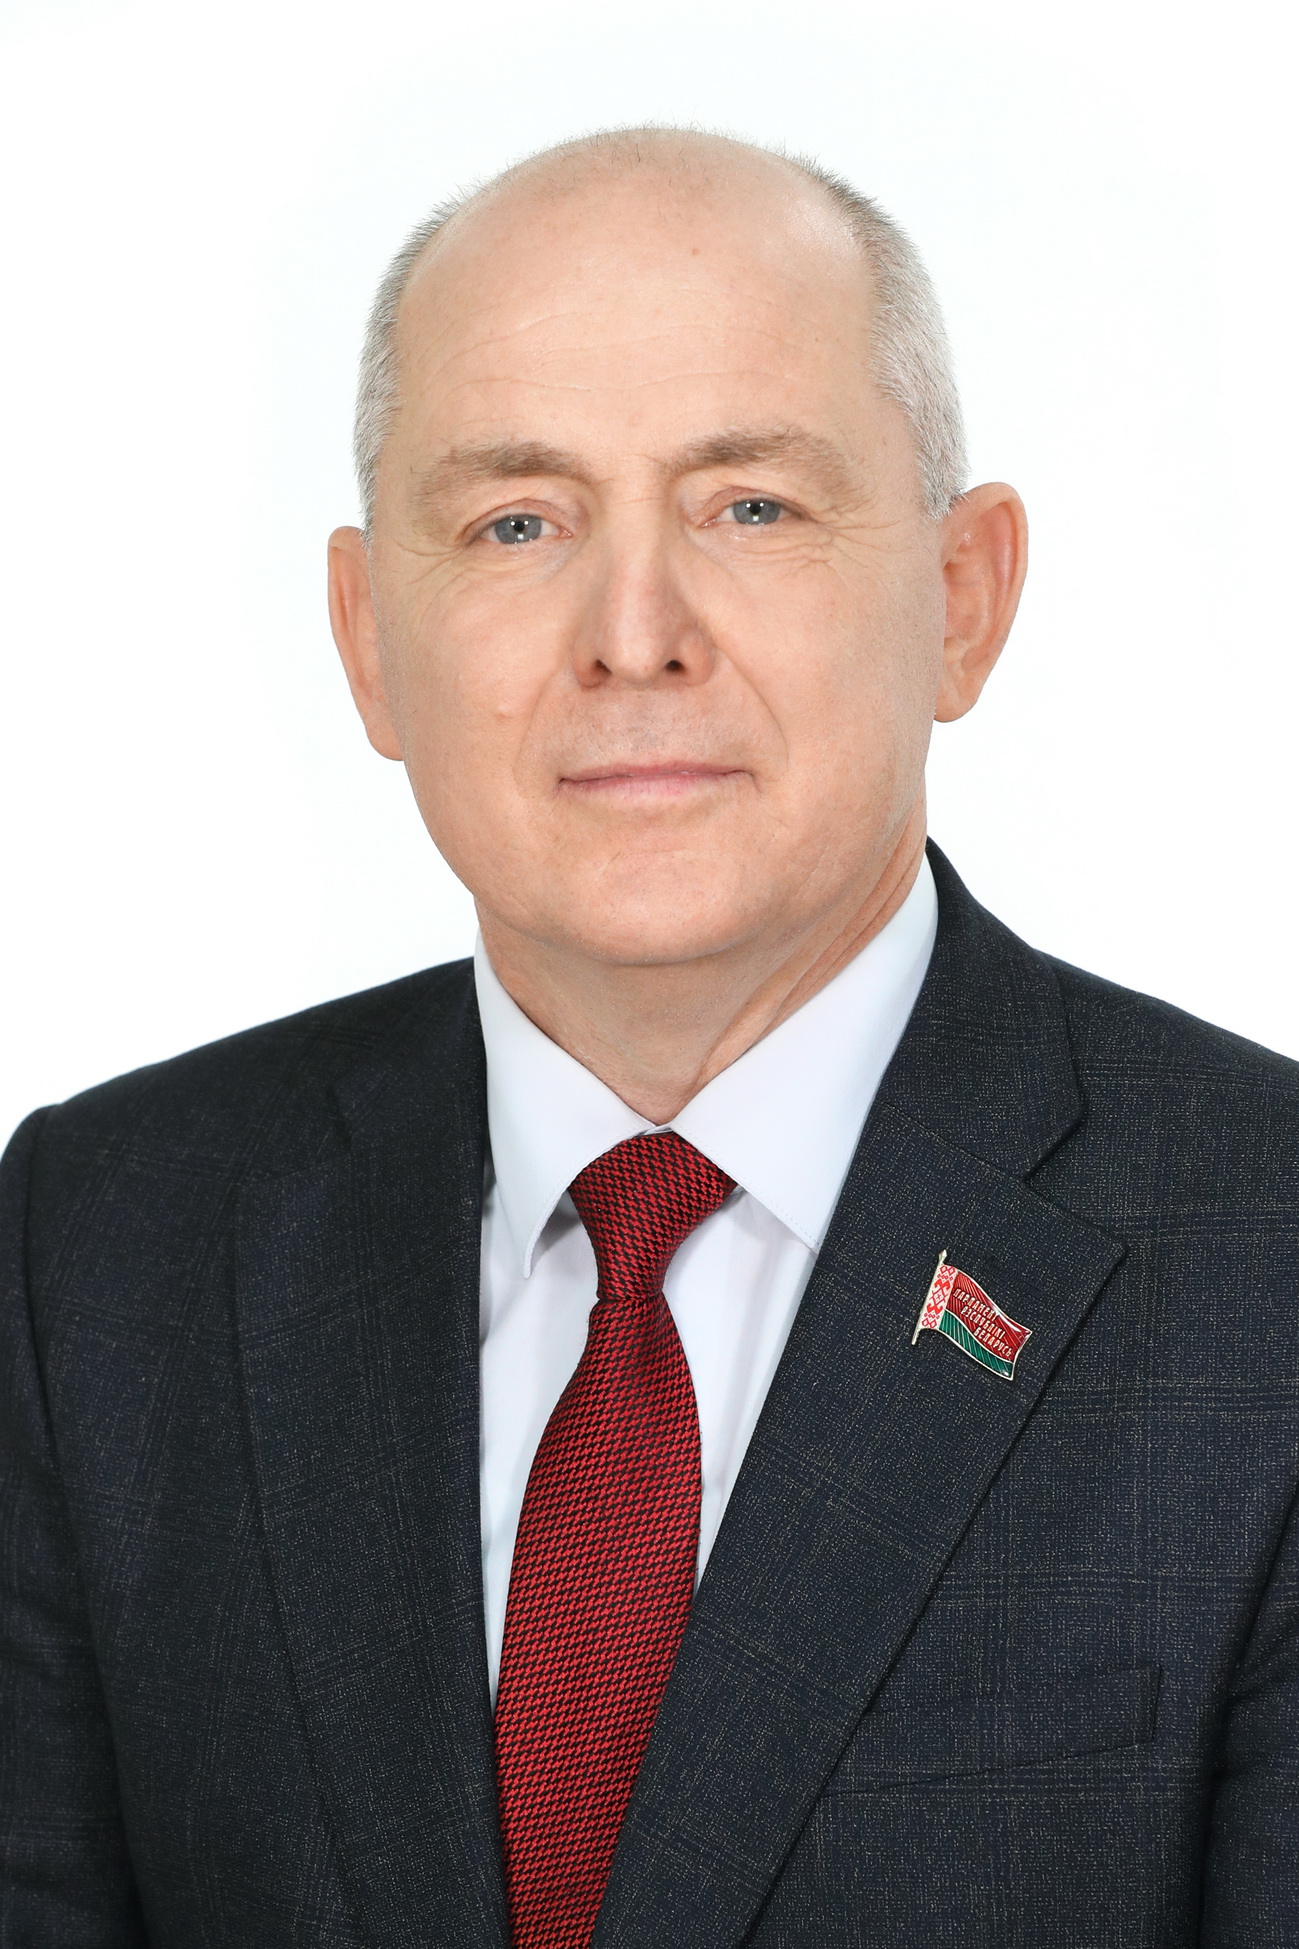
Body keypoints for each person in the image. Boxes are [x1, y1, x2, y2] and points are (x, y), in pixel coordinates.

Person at [1, 126, 1296, 1949]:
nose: (634, 634)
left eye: (748, 506)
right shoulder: (105, 1245)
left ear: (965, 594)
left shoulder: (1266, 1255)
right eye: (518, 522)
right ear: (368, 639)